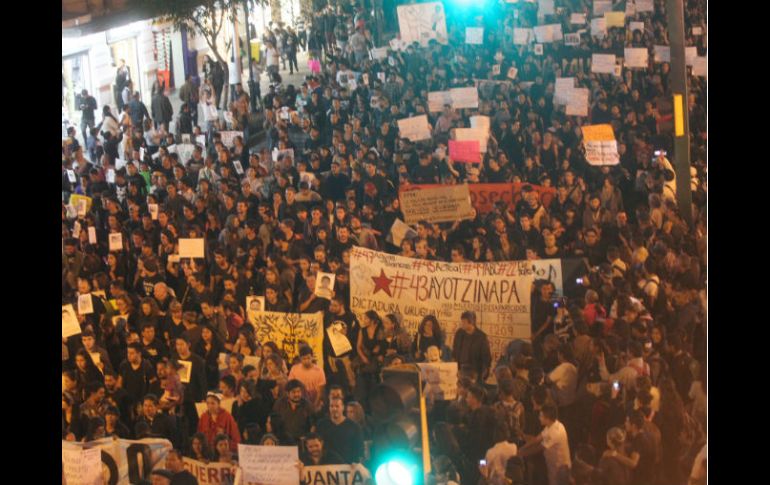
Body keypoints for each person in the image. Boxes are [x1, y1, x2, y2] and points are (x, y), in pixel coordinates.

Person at [518, 403, 572, 485]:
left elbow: (538, 448)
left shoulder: (556, 432)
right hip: (553, 466)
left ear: (547, 418)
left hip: (560, 468)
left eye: (541, 416)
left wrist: (519, 454)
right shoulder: (551, 425)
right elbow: (537, 439)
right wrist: (522, 447)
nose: (539, 418)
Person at [314, 396, 364, 464]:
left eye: (337, 406)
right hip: (326, 467)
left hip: (348, 466)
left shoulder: (354, 427)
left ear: (343, 408)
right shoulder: (321, 425)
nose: (334, 409)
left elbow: (359, 450)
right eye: (331, 406)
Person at [452, 311, 492, 383]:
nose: (462, 324)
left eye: (464, 322)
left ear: (471, 322)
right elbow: (455, 349)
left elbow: (486, 356)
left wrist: (484, 371)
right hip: (460, 370)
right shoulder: (459, 333)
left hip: (474, 372)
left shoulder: (481, 337)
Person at [288, 346, 326, 411]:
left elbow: (320, 392)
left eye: (308, 358)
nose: (306, 361)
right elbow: (291, 387)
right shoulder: (294, 369)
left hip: (314, 402)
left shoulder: (319, 370)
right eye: (304, 359)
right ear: (300, 359)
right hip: (298, 401)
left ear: (312, 357)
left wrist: (314, 406)